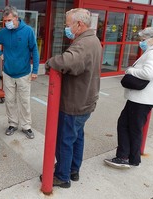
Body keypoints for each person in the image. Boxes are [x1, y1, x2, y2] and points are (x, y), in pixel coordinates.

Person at [41, 8, 102, 188]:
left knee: (65, 140)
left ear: (79, 24)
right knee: (77, 137)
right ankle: (73, 169)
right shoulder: (93, 40)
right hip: (85, 100)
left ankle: (62, 176)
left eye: (68, 24)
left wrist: (50, 62)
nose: (66, 28)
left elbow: (67, 62)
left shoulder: (83, 44)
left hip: (75, 102)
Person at [104, 27, 153, 169]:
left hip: (140, 98)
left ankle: (123, 157)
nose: (141, 43)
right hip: (146, 98)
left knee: (127, 126)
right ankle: (132, 158)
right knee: (133, 127)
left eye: (144, 40)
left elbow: (149, 73)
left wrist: (130, 70)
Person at [0, 5, 39, 139]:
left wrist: (35, 70)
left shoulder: (28, 31)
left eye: (9, 20)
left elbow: (34, 50)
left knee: (24, 101)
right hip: (8, 73)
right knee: (10, 101)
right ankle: (12, 124)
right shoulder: (4, 32)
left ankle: (26, 126)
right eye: (5, 21)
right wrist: (0, 54)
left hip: (23, 73)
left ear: (16, 18)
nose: (7, 23)